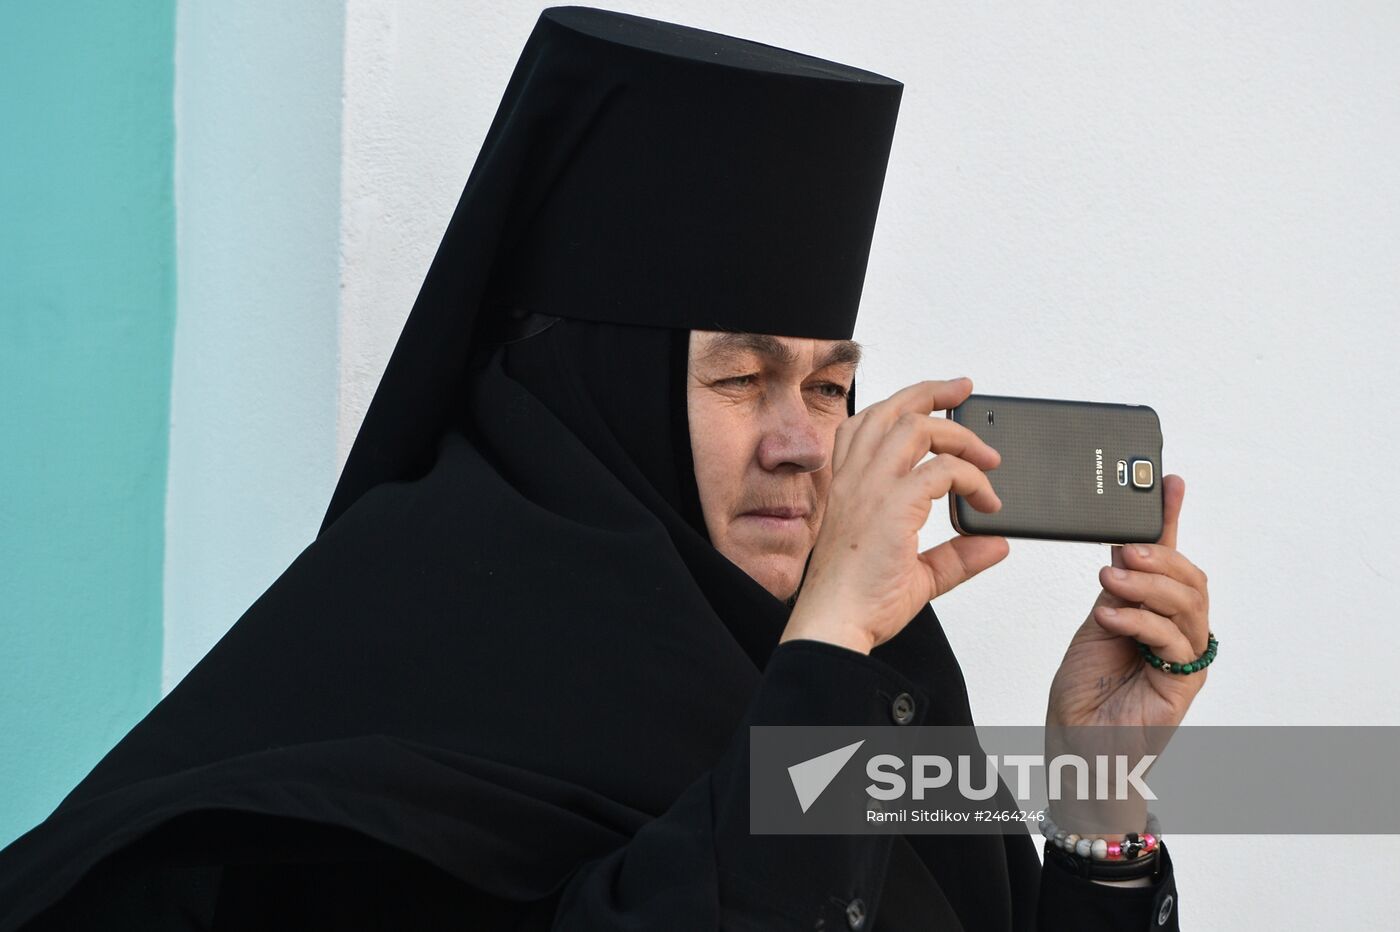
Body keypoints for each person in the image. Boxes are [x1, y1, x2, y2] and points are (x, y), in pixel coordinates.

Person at [0, 7, 1211, 930]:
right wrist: (819, 664)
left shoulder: (870, 657)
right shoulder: (406, 679)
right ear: (601, 399)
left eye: (830, 386)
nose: (801, 438)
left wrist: (1098, 803)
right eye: (740, 382)